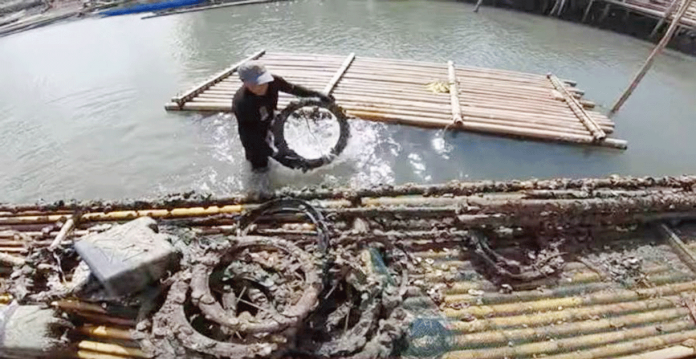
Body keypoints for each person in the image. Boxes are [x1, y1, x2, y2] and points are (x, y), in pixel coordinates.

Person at [232, 60, 334, 173]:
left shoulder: (273, 81)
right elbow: (251, 137)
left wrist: (317, 95)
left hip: (270, 122)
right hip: (253, 134)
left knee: (285, 153)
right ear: (244, 82)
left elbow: (294, 89)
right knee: (260, 167)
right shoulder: (242, 103)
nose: (261, 86)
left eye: (263, 81)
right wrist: (277, 155)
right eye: (255, 84)